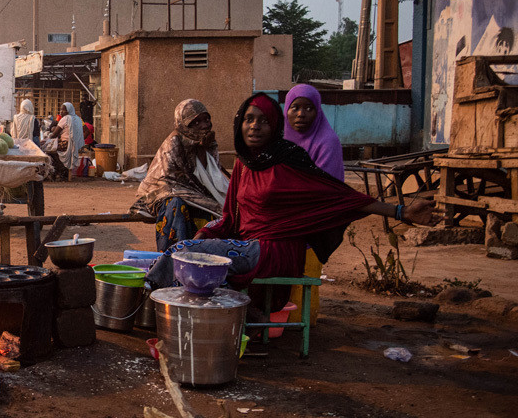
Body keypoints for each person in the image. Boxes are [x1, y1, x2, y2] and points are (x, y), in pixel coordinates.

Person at [144, 93, 436, 300]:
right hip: (247, 245)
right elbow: (232, 215)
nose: (254, 126)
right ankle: (202, 316)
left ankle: (145, 295)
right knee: (190, 256)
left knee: (183, 253)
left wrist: (401, 212)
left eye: (263, 121)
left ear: (274, 126)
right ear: (239, 124)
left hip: (275, 250)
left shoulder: (287, 161)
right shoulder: (245, 164)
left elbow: (343, 197)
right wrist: (208, 232)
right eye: (248, 119)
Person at [131, 99, 230, 251]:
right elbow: (170, 180)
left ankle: (201, 254)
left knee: (216, 215)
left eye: (206, 120)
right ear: (184, 124)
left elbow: (211, 177)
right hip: (164, 191)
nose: (204, 125)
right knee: (176, 205)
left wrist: (202, 150)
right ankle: (174, 255)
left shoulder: (208, 143)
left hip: (195, 193)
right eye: (196, 122)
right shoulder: (175, 142)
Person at [283, 84, 343, 180]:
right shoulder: (278, 140)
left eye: (308, 108)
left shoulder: (328, 142)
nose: (301, 114)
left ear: (317, 112)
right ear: (286, 110)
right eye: (295, 108)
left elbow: (325, 183)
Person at [49, 102, 85, 180]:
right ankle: (63, 171)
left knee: (49, 150)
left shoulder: (65, 119)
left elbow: (54, 134)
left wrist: (48, 137)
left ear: (68, 111)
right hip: (77, 145)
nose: (61, 112)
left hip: (66, 144)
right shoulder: (78, 119)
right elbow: (85, 131)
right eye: (60, 110)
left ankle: (59, 171)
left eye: (63, 110)